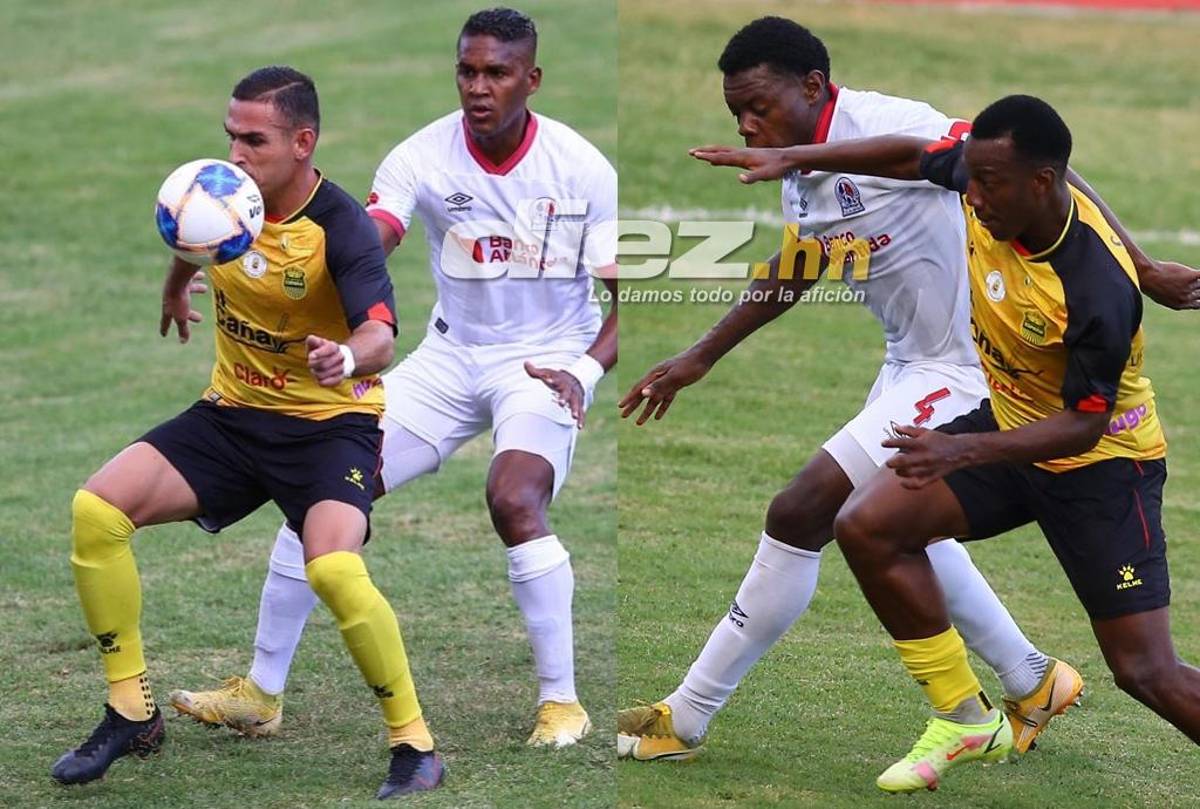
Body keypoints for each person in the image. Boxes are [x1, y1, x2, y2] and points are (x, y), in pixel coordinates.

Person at [616, 17, 1198, 764]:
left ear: (813, 87)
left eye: (758, 107)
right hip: (909, 364)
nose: (747, 125)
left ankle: (686, 716)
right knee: (885, 519)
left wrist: (1141, 264)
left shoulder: (891, 125)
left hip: (967, 372)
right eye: (737, 113)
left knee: (802, 511)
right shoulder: (797, 172)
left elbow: (1037, 166)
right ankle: (1030, 677)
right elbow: (801, 263)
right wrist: (700, 355)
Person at [169, 7, 617, 749]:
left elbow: (627, 306)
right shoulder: (423, 155)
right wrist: (228, 257)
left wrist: (583, 371)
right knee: (319, 494)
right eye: (467, 71)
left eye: (497, 73)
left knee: (514, 497)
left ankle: (562, 702)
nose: (479, 87)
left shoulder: (581, 168)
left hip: (543, 361)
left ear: (530, 79)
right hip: (448, 357)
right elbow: (360, 242)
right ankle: (261, 692)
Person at [51, 67, 444, 798]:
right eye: (230, 134)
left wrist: (347, 354)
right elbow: (194, 228)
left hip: (331, 427)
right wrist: (175, 285)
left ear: (302, 142)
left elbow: (383, 337)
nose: (236, 152)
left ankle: (413, 742)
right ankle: (130, 709)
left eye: (253, 139)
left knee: (331, 567)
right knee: (96, 510)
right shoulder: (224, 193)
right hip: (231, 417)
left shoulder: (341, 227)